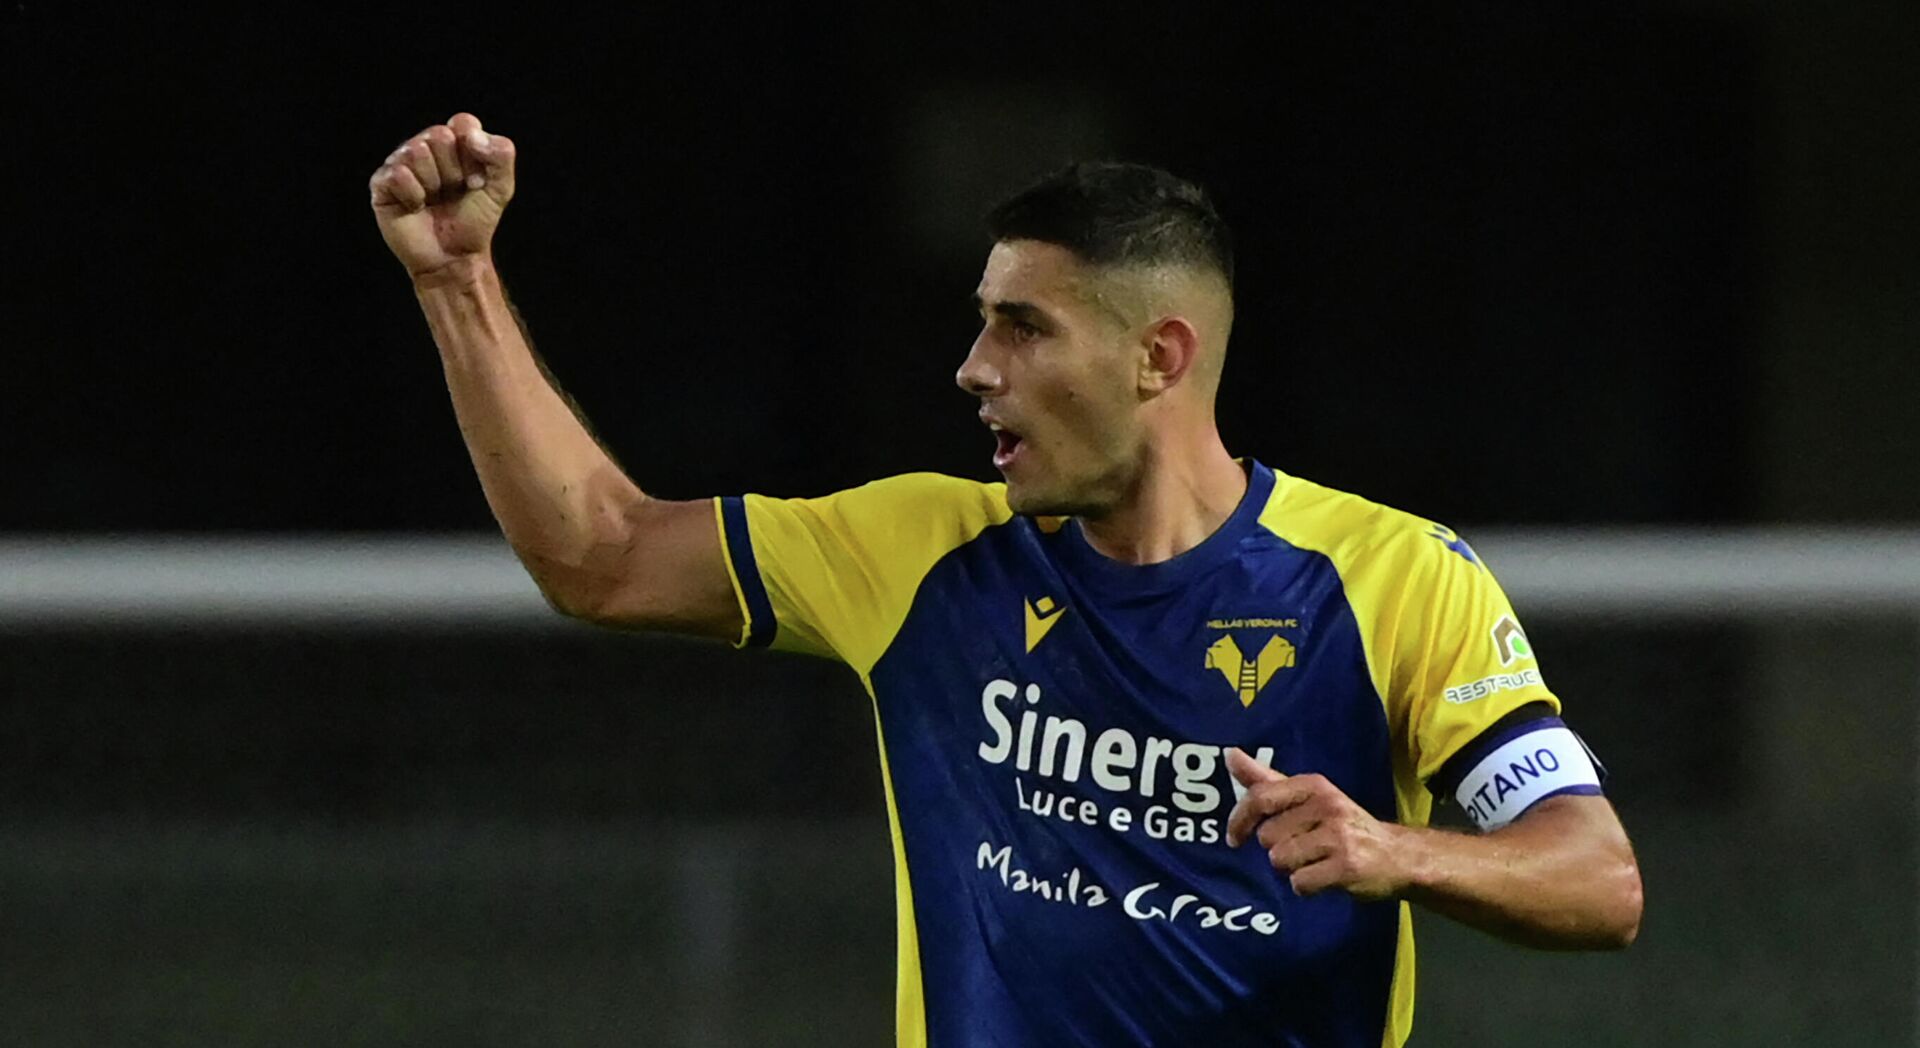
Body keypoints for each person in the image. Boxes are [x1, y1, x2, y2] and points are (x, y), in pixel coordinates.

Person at [369, 112, 1642, 1047]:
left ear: (1160, 356)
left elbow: (1597, 877)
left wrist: (1400, 852)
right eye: (982, 321)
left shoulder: (1394, 579)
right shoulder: (926, 554)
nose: (976, 367)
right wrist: (457, 281)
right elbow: (601, 555)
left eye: (1023, 327)